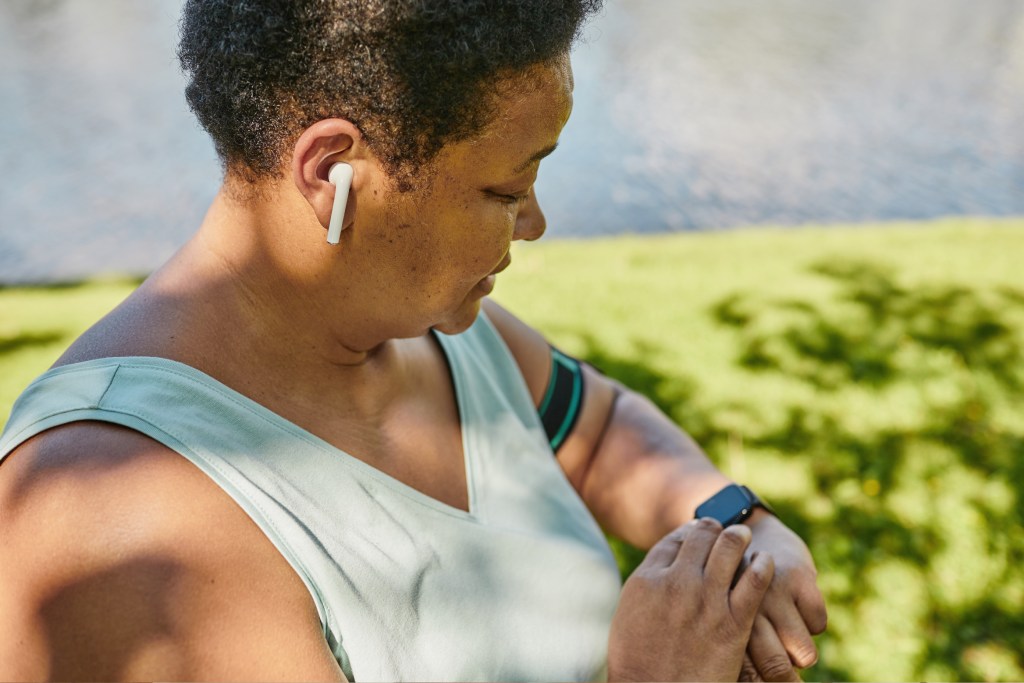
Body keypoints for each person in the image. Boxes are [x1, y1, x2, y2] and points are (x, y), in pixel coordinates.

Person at [0, 1, 826, 680]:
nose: (535, 224)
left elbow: (600, 426)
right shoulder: (116, 512)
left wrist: (736, 524)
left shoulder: (451, 338)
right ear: (333, 172)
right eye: (507, 186)